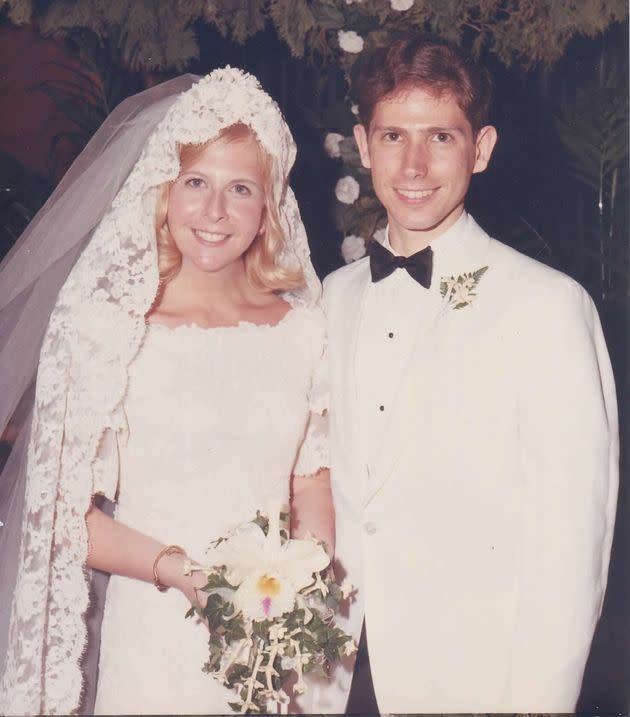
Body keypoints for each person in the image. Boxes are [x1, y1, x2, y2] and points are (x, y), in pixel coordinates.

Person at [0, 68, 333, 715]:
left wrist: (302, 582)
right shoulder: (108, 328)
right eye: (196, 183)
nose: (214, 211)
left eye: (239, 188)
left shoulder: (304, 328)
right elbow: (64, 522)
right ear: (164, 189)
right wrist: (182, 571)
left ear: (269, 202)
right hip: (155, 643)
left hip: (270, 648)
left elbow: (311, 479)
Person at [320, 34, 619, 714]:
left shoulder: (547, 307)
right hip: (336, 677)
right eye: (393, 136)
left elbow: (570, 552)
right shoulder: (329, 299)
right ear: (362, 147)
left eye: (441, 138)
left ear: (480, 148)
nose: (415, 164)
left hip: (473, 684)